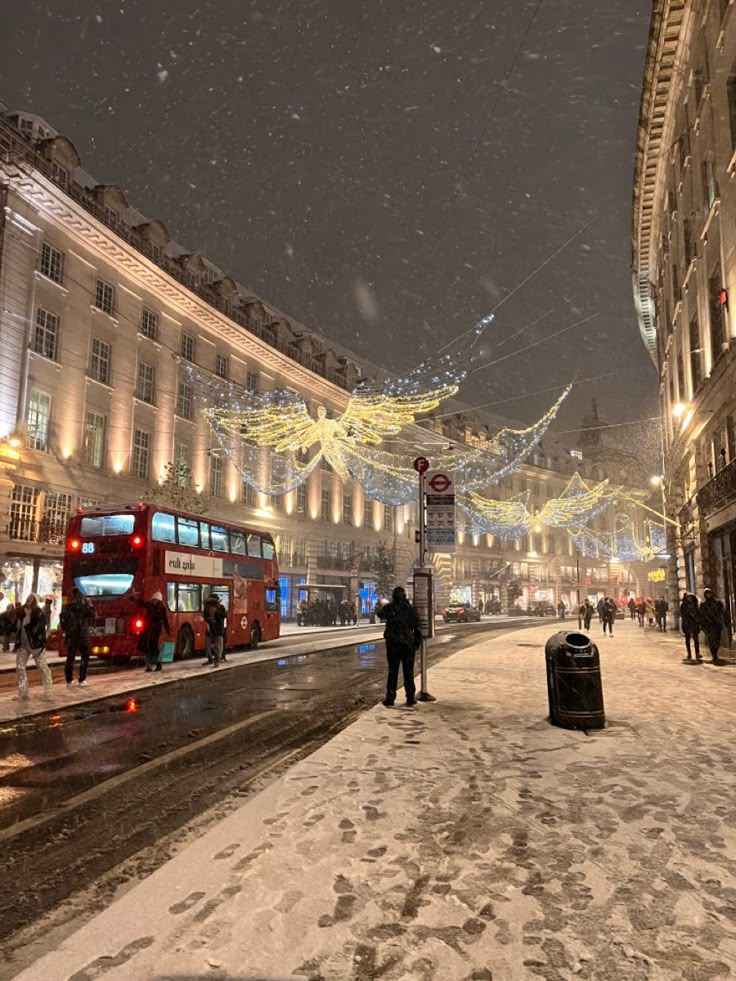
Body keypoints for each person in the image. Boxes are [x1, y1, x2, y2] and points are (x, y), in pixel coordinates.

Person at [375, 586, 421, 707]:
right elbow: (417, 626)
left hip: (393, 644)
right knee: (408, 672)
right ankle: (410, 697)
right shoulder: (410, 609)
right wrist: (416, 642)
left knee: (393, 671)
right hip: (407, 643)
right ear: (404, 596)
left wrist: (382, 604)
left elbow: (380, 614)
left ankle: (390, 698)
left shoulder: (390, 608)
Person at [15, 594, 53, 700]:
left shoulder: (39, 613)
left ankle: (48, 692)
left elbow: (37, 629)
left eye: (31, 598)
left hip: (36, 645)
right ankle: (23, 693)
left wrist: (28, 629)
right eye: (27, 597)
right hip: (23, 644)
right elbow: (16, 626)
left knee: (43, 668)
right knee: (20, 667)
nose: (28, 599)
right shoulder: (21, 612)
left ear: (35, 601)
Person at [60, 587, 96, 686]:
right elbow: (93, 614)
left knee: (70, 657)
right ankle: (82, 679)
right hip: (82, 636)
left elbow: (62, 620)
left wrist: (66, 631)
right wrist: (90, 605)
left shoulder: (67, 607)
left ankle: (69, 680)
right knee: (84, 656)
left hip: (71, 636)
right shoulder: (83, 606)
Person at [132, 590, 171, 672]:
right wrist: (133, 597)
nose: (154, 601)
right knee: (147, 648)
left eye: (155, 600)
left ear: (159, 601)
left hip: (156, 630)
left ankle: (158, 665)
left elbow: (165, 620)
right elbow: (140, 602)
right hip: (148, 629)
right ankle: (149, 666)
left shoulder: (162, 609)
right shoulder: (149, 605)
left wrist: (168, 631)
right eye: (153, 599)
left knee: (154, 648)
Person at [699, 588, 730, 666]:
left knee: (717, 641)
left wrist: (726, 621)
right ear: (705, 595)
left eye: (709, 593)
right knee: (711, 640)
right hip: (708, 626)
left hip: (717, 624)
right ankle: (714, 656)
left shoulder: (717, 602)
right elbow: (701, 615)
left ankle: (715, 655)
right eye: (707, 594)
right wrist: (702, 625)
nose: (708, 595)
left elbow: (723, 612)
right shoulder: (703, 604)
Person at [203, 592, 227, 666]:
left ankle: (217, 660)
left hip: (218, 630)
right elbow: (205, 617)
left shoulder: (221, 608)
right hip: (210, 629)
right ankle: (210, 659)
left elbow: (223, 616)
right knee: (207, 646)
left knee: (218, 646)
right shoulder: (207, 608)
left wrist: (216, 612)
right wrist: (209, 623)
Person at [679, 592, 702, 663]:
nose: (689, 599)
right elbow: (683, 615)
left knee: (696, 639)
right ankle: (689, 653)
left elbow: (698, 613)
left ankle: (697, 653)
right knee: (687, 640)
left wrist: (698, 621)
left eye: (691, 597)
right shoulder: (683, 605)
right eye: (688, 597)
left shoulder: (695, 604)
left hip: (694, 624)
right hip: (687, 624)